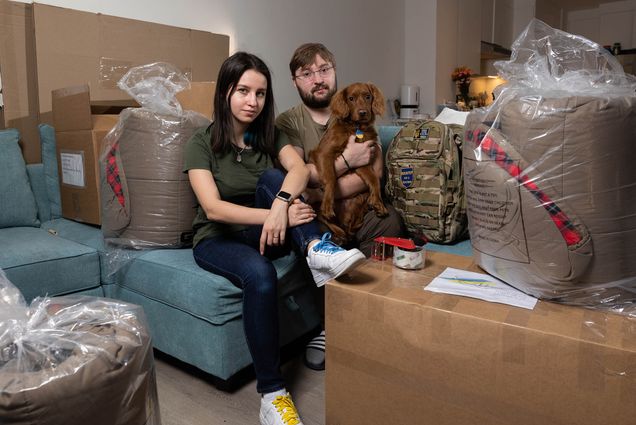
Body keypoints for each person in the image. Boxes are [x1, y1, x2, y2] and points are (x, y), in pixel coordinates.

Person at [184, 51, 365, 425]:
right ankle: (272, 395)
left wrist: (282, 202)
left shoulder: (269, 135)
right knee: (260, 274)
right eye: (243, 91)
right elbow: (213, 208)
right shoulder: (200, 143)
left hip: (265, 229)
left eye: (261, 94)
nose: (253, 102)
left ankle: (316, 248)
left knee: (274, 180)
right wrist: (276, 212)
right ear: (225, 92)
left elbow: (299, 168)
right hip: (217, 239)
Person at [276, 43, 405, 371]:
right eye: (307, 73)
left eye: (324, 70)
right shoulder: (288, 123)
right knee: (310, 234)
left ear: (334, 73)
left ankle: (374, 316)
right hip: (321, 212)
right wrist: (349, 160)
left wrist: (333, 180)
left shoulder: (364, 123)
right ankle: (327, 327)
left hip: (359, 209)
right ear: (295, 82)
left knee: (389, 221)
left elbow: (373, 174)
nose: (317, 78)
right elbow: (302, 177)